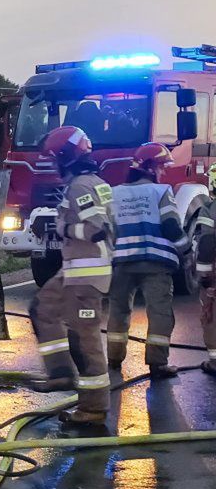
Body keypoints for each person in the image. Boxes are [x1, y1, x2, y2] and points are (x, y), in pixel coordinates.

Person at [29, 126, 115, 425]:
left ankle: (93, 408)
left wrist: (59, 229)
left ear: (66, 156)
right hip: (74, 270)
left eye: (54, 158)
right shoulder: (89, 182)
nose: (52, 165)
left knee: (84, 339)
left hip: (86, 274)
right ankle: (61, 374)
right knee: (42, 308)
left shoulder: (81, 187)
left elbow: (96, 229)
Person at [106, 143, 188, 379]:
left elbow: (108, 228)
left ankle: (113, 359)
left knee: (118, 311)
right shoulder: (161, 191)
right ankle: (157, 364)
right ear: (151, 168)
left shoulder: (113, 192)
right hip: (156, 263)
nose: (163, 171)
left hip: (121, 261)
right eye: (162, 166)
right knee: (159, 312)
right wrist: (186, 250)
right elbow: (171, 226)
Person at [195, 163, 216, 374]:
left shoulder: (211, 209)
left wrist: (204, 276)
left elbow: (207, 243)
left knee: (211, 315)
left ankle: (215, 361)